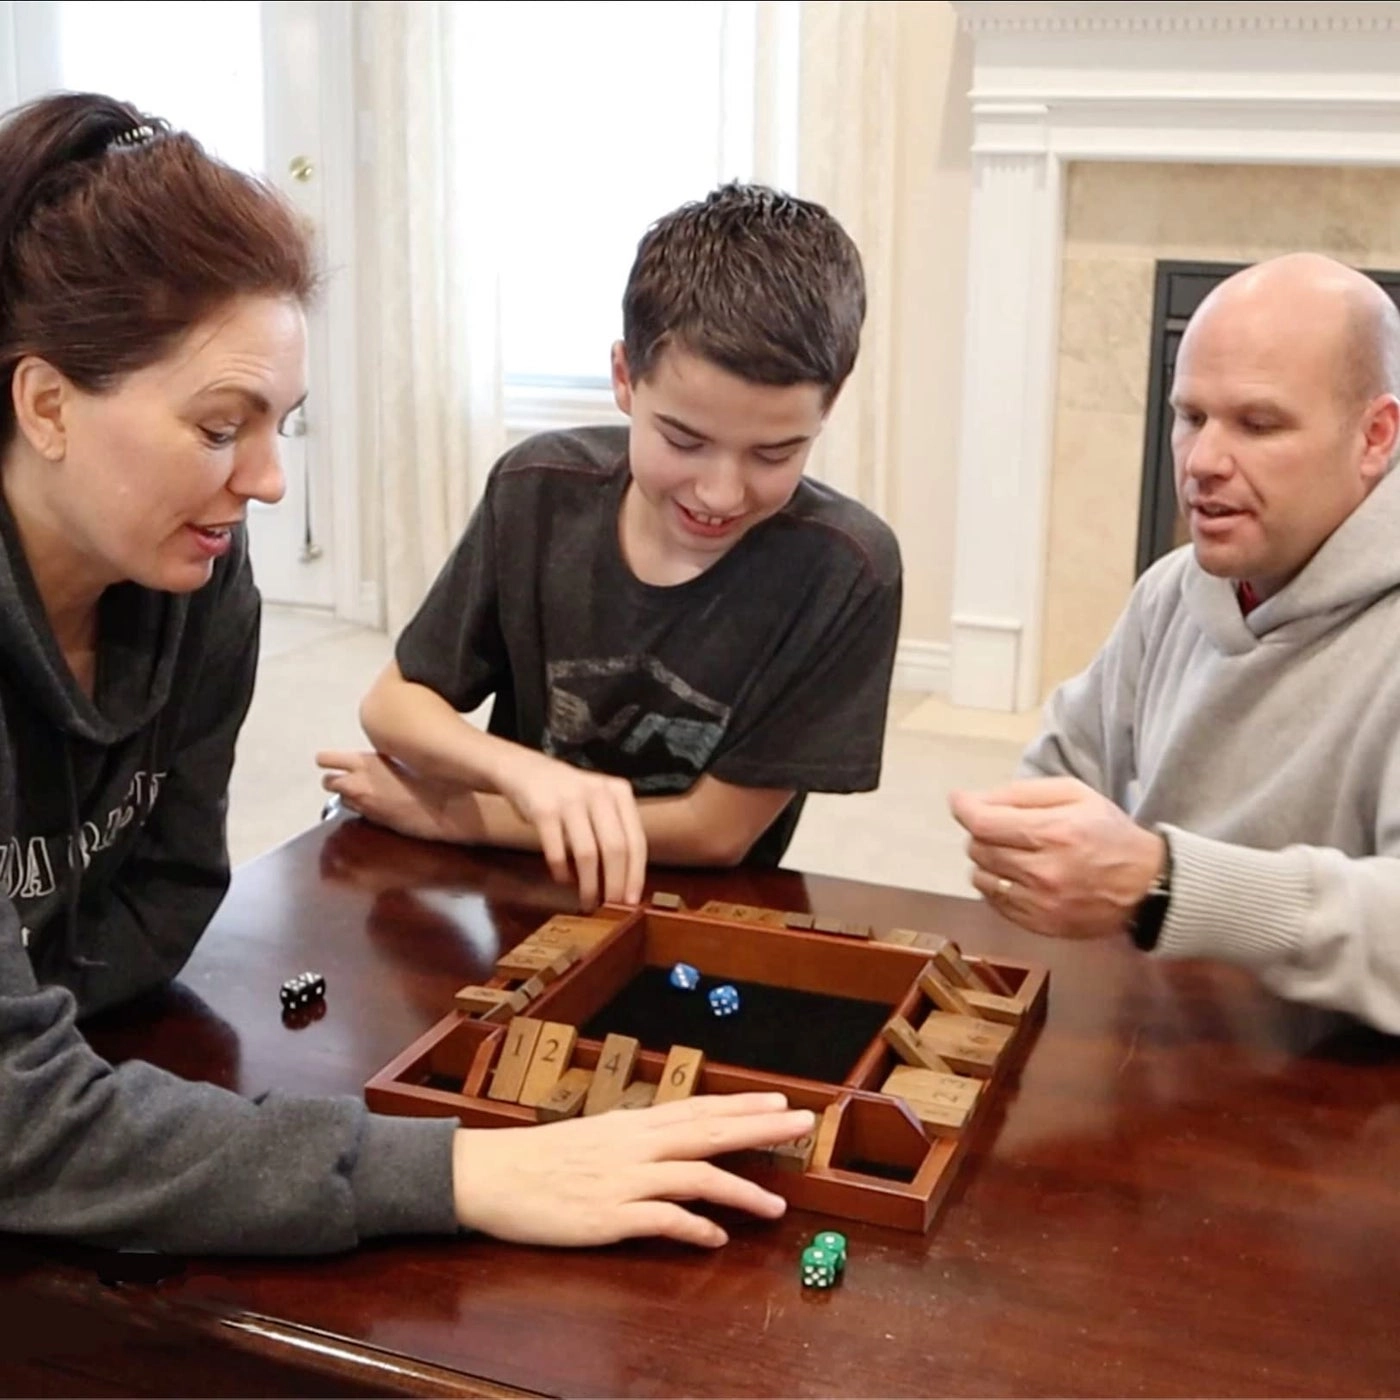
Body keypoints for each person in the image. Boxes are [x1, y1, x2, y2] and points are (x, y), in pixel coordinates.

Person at [0, 92, 814, 1258]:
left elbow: (171, 890)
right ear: (45, 404)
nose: (270, 480)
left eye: (284, 422)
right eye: (222, 425)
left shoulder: (200, 588)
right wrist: (463, 1166)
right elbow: (20, 1122)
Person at [317, 183, 903, 910]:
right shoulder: (537, 489)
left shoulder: (848, 570)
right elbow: (394, 705)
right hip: (521, 903)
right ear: (625, 377)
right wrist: (530, 777)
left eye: (774, 454)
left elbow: (717, 834)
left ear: (830, 405)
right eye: (683, 440)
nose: (720, 493)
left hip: (704, 918)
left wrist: (460, 815)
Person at [950, 252, 1400, 1034]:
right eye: (1190, 416)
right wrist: (1033, 845)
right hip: (1155, 1042)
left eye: (1258, 424)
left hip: (1342, 1103)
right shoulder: (1172, 588)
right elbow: (1065, 770)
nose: (1203, 463)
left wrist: (1163, 885)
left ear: (1376, 436)